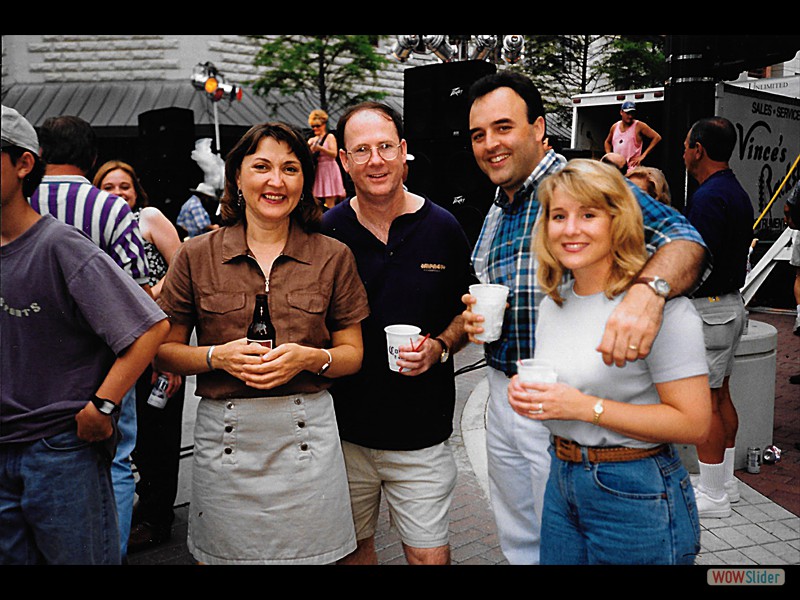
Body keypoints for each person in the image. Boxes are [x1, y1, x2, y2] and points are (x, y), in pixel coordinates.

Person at [461, 71, 710, 565]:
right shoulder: (496, 208)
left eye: (503, 127)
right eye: (478, 134)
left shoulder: (580, 187)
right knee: (522, 540)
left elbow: (687, 243)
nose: (490, 144)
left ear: (538, 128)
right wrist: (471, 322)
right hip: (513, 395)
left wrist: (648, 292)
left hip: (577, 408)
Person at [154, 121, 369, 565]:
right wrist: (217, 356)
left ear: (306, 181)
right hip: (225, 442)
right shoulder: (196, 255)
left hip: (308, 438)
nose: (276, 181)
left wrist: (312, 357)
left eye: (291, 169)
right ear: (237, 176)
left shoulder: (333, 255)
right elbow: (163, 350)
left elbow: (353, 355)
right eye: (262, 167)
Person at [507, 158, 711, 564]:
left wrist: (584, 408)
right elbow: (567, 389)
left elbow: (695, 424)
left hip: (635, 490)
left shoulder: (660, 311)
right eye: (559, 216)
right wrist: (528, 393)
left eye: (588, 214)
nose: (570, 229)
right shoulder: (553, 303)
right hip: (561, 478)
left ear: (617, 220)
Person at [1, 105, 169, 565]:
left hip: (60, 444)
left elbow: (148, 321)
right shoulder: (108, 212)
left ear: (25, 163)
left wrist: (103, 405)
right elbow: (143, 288)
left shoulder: (57, 241)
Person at [321, 102, 477, 565]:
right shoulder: (327, 234)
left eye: (386, 146)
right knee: (352, 555)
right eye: (362, 150)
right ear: (344, 161)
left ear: (404, 151)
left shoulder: (443, 227)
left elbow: (467, 312)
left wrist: (442, 346)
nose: (376, 160)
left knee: (430, 558)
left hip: (421, 438)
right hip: (343, 436)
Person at [29, 114, 151, 560]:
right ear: (92, 157)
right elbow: (139, 292)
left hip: (26, 363)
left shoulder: (17, 202)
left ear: (38, 156)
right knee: (116, 462)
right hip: (106, 364)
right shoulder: (111, 208)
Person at [93, 160, 186, 552]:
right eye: (109, 187)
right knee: (129, 436)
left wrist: (151, 296)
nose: (118, 194)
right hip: (118, 344)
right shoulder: (98, 226)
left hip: (159, 334)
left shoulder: (146, 217)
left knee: (158, 434)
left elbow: (183, 262)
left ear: (137, 191)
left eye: (125, 187)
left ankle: (156, 518)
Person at [683, 117, 755, 518]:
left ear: (699, 149)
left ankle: (712, 496)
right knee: (722, 394)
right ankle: (724, 482)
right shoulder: (735, 190)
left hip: (709, 308)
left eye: (686, 145)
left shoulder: (709, 197)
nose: (683, 152)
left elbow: (696, 262)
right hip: (729, 306)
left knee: (707, 401)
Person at [604, 101, 662, 169]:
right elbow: (607, 142)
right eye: (628, 113)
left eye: (632, 113)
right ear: (621, 112)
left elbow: (657, 137)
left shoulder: (639, 126)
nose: (630, 116)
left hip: (631, 167)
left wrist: (643, 156)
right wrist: (609, 156)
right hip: (617, 166)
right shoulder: (615, 126)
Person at [308, 109, 347, 210]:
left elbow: (334, 154)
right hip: (319, 169)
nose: (315, 128)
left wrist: (320, 149)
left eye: (318, 126)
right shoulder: (313, 139)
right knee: (315, 199)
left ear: (324, 125)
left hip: (329, 168)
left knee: (330, 197)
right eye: (313, 126)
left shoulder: (330, 137)